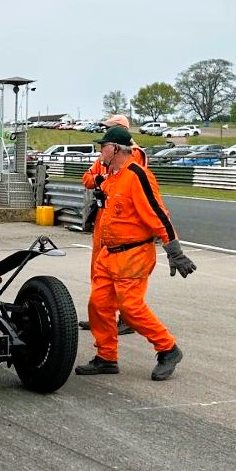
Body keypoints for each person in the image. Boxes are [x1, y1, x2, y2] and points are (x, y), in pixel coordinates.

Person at [74, 125, 195, 380]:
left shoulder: (138, 176)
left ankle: (168, 349)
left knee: (130, 308)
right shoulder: (113, 175)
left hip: (133, 254)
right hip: (109, 254)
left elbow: (158, 213)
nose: (100, 152)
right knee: (98, 304)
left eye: (102, 147)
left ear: (115, 148)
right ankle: (106, 357)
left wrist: (174, 249)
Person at [78, 115, 146, 336]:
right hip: (104, 217)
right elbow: (88, 178)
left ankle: (127, 318)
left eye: (108, 129)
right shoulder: (105, 154)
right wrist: (100, 179)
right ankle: (101, 315)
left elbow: (128, 180)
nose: (104, 133)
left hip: (125, 221)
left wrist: (102, 178)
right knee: (99, 269)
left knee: (124, 275)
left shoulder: (134, 154)